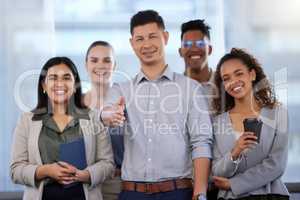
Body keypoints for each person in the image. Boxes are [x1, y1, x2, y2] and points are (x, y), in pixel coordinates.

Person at [101, 10, 213, 200]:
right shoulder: (122, 89)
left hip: (178, 192)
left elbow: (201, 142)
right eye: (139, 39)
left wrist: (200, 193)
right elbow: (105, 112)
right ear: (132, 43)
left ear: (165, 37)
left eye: (152, 36)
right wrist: (109, 115)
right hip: (132, 193)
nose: (146, 44)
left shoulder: (190, 88)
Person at [10, 57, 114, 200]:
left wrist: (85, 175)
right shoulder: (27, 120)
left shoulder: (94, 118)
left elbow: (108, 165)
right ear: (44, 85)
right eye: (53, 78)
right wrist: (45, 171)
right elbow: (15, 170)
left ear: (75, 84)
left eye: (66, 78)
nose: (60, 83)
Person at [211, 48, 289, 200]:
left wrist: (234, 184)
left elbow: (277, 164)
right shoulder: (217, 122)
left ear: (252, 74)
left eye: (239, 73)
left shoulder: (278, 113)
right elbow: (217, 171)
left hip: (271, 195)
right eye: (226, 78)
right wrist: (235, 152)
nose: (233, 82)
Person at [179, 19, 218, 200]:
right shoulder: (171, 88)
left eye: (200, 43)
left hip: (222, 182)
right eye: (187, 44)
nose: (194, 48)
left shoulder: (227, 87)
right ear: (181, 51)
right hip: (184, 183)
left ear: (209, 49)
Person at [83, 41, 124, 200]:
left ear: (114, 65)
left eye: (107, 60)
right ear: (86, 64)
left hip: (117, 184)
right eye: (94, 60)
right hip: (83, 184)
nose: (100, 65)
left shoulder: (127, 101)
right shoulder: (75, 103)